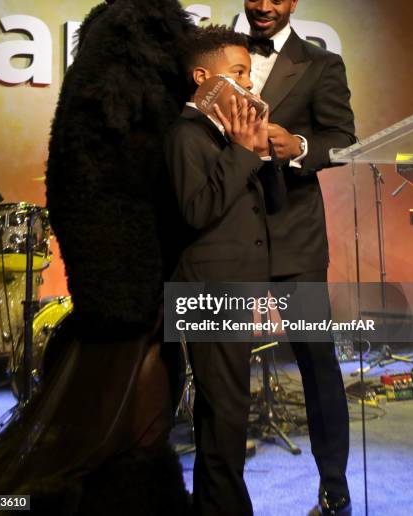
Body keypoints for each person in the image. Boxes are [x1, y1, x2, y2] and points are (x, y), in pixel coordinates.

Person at [0, 0, 193, 515]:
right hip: (132, 240)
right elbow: (143, 149)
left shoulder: (108, 37)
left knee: (132, 360)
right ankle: (129, 490)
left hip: (116, 238)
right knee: (141, 359)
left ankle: (128, 484)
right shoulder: (139, 36)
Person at [243, 0, 356, 516]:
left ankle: (333, 486)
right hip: (229, 235)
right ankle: (219, 493)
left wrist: (301, 149)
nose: (264, 8)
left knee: (316, 360)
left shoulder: (321, 64)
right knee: (221, 360)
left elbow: (343, 138)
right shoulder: (221, 59)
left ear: (294, 2)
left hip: (294, 236)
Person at [162, 25, 285, 516]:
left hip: (239, 286)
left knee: (228, 409)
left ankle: (219, 504)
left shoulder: (229, 139)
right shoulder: (185, 134)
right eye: (238, 73)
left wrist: (262, 154)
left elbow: (270, 208)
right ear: (203, 78)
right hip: (207, 288)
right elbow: (197, 211)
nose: (249, 84)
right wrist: (240, 152)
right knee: (224, 411)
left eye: (249, 75)